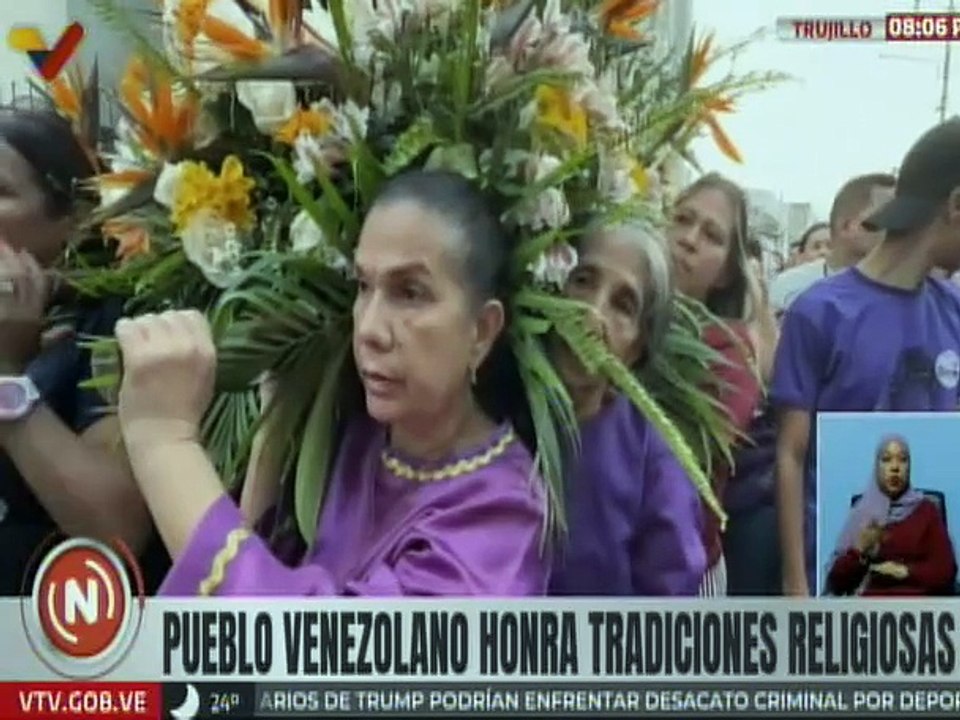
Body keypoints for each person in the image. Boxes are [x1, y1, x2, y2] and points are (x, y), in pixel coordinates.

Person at [116, 169, 550, 597]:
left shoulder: (501, 517)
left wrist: (163, 440)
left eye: (410, 292)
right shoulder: (353, 432)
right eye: (363, 285)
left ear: (482, 330)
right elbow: (265, 558)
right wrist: (277, 421)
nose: (370, 329)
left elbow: (305, 653)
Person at [773, 120, 960, 597]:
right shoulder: (819, 312)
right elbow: (791, 456)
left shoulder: (953, 311)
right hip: (839, 583)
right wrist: (796, 589)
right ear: (955, 206)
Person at [0, 109, 163, 594]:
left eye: (1, 193)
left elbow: (116, 529)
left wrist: (7, 372)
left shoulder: (113, 323)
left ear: (74, 216)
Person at [548, 220, 707, 596]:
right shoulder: (491, 413)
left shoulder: (652, 461)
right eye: (583, 280)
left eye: (623, 305)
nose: (592, 312)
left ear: (638, 347)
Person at [667, 173, 765, 596]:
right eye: (682, 219)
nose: (688, 239)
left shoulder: (729, 349)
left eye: (711, 236)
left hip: (686, 570)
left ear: (726, 273)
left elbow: (693, 456)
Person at [825, 435, 956, 596]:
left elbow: (945, 571)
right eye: (886, 460)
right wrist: (859, 551)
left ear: (910, 467)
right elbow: (836, 583)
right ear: (876, 467)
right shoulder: (863, 514)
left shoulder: (926, 511)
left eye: (902, 460)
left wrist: (905, 571)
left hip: (917, 609)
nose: (895, 467)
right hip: (870, 611)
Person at [769, 174, 895, 317]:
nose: (899, 226)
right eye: (889, 215)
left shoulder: (905, 292)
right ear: (847, 226)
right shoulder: (789, 287)